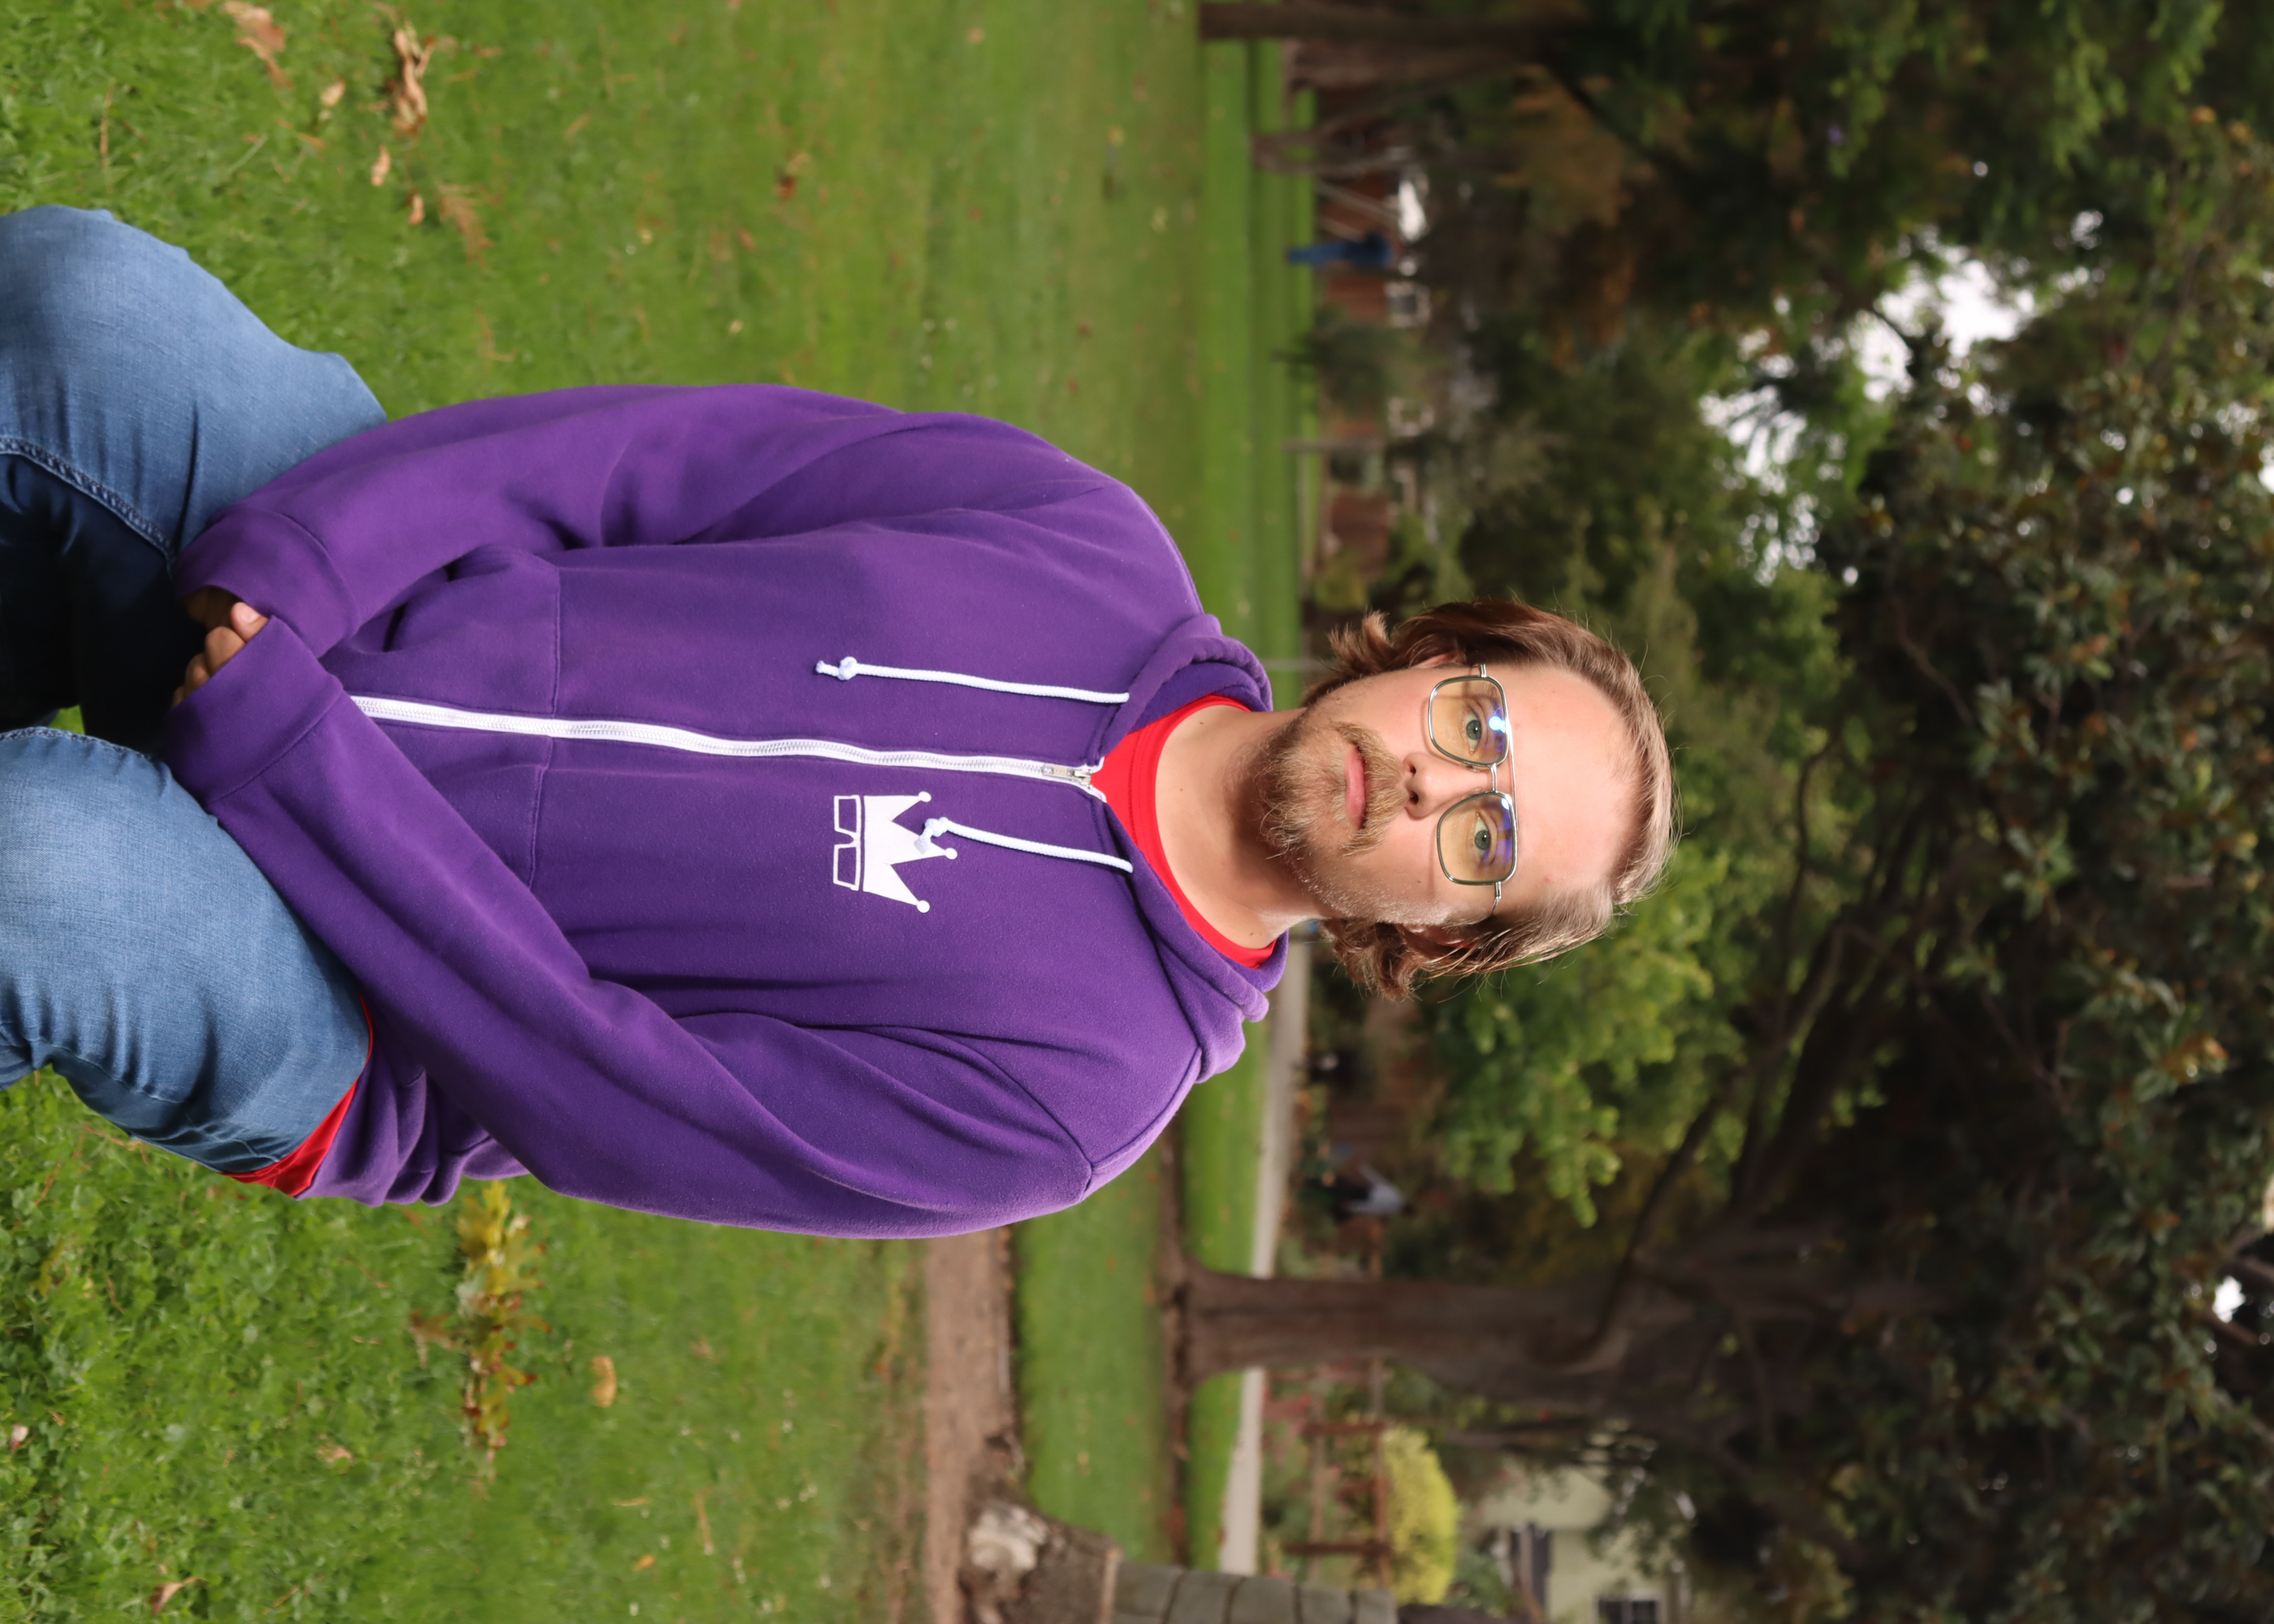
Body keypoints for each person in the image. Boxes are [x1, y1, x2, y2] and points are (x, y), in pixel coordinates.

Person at [0, 206, 1674, 1237]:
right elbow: (643, 459)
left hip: (360, 1012)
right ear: (1431, 655)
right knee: (87, 308)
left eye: (1485, 838)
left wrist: (301, 769)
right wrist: (308, 559)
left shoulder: (1072, 1098)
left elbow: (608, 1085)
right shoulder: (1088, 540)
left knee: (41, 861)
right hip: (361, 608)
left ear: (1439, 934)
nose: (1430, 780)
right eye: (1477, 723)